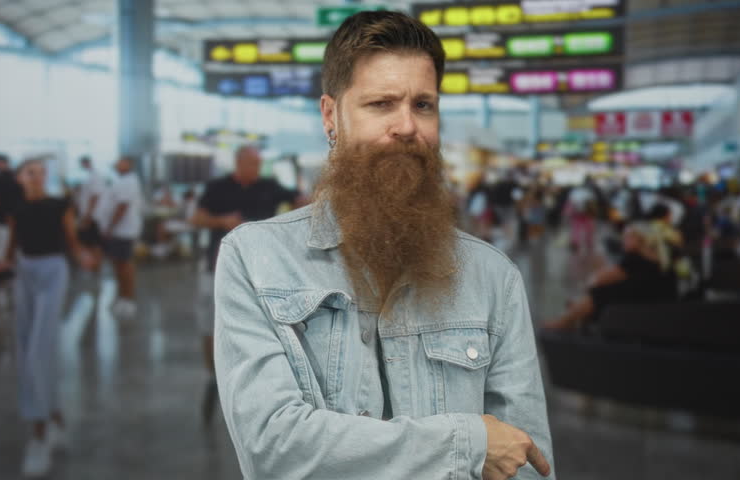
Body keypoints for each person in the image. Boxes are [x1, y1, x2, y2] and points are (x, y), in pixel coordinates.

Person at [214, 12, 553, 480]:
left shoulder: (492, 277)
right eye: (381, 104)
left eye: (423, 105)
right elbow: (271, 447)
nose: (407, 126)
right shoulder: (256, 259)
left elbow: (527, 463)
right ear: (331, 115)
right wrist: (467, 443)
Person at [0, 159, 94, 477]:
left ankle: (39, 435)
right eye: (31, 172)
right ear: (21, 177)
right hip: (25, 271)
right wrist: (5, 263)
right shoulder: (16, 207)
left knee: (39, 348)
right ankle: (54, 417)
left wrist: (82, 256)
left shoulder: (60, 204)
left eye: (41, 172)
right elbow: (13, 242)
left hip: (53, 270)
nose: (38, 177)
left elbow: (71, 239)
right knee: (26, 349)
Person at [191, 145, 305, 423]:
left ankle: (266, 380)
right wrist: (221, 220)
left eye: (258, 163)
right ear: (239, 163)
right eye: (251, 163)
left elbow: (301, 200)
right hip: (217, 265)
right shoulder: (218, 188)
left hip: (264, 270)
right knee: (210, 323)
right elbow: (196, 218)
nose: (255, 168)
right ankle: (212, 375)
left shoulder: (269, 186)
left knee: (267, 324)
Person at [544, 222, 677, 330]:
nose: (623, 240)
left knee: (598, 293)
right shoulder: (659, 256)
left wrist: (596, 272)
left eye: (627, 237)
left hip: (640, 304)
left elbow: (601, 279)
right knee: (601, 293)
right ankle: (576, 311)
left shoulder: (636, 258)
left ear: (640, 239)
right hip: (655, 301)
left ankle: (566, 321)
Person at [101, 156, 143, 319]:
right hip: (119, 231)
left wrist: (110, 227)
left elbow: (122, 206)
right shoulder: (122, 180)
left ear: (128, 164)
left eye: (120, 161)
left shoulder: (129, 181)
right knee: (118, 265)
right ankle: (121, 296)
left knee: (125, 265)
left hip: (124, 230)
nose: (116, 164)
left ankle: (129, 300)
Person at [76, 156, 106, 269]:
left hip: (93, 216)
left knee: (94, 243)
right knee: (89, 242)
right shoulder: (89, 176)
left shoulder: (95, 176)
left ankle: (96, 265)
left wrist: (88, 216)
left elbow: (95, 197)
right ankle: (93, 265)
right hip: (89, 215)